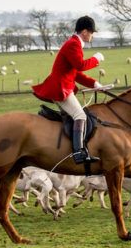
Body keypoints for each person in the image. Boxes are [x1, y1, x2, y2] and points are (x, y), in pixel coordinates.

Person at [32, 15, 104, 164]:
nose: (92, 35)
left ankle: (67, 147)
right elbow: (80, 65)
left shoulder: (74, 44)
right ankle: (78, 153)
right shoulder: (73, 44)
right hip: (60, 88)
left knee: (75, 116)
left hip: (63, 86)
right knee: (80, 116)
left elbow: (75, 73)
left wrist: (95, 84)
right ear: (84, 32)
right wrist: (96, 59)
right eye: (92, 32)